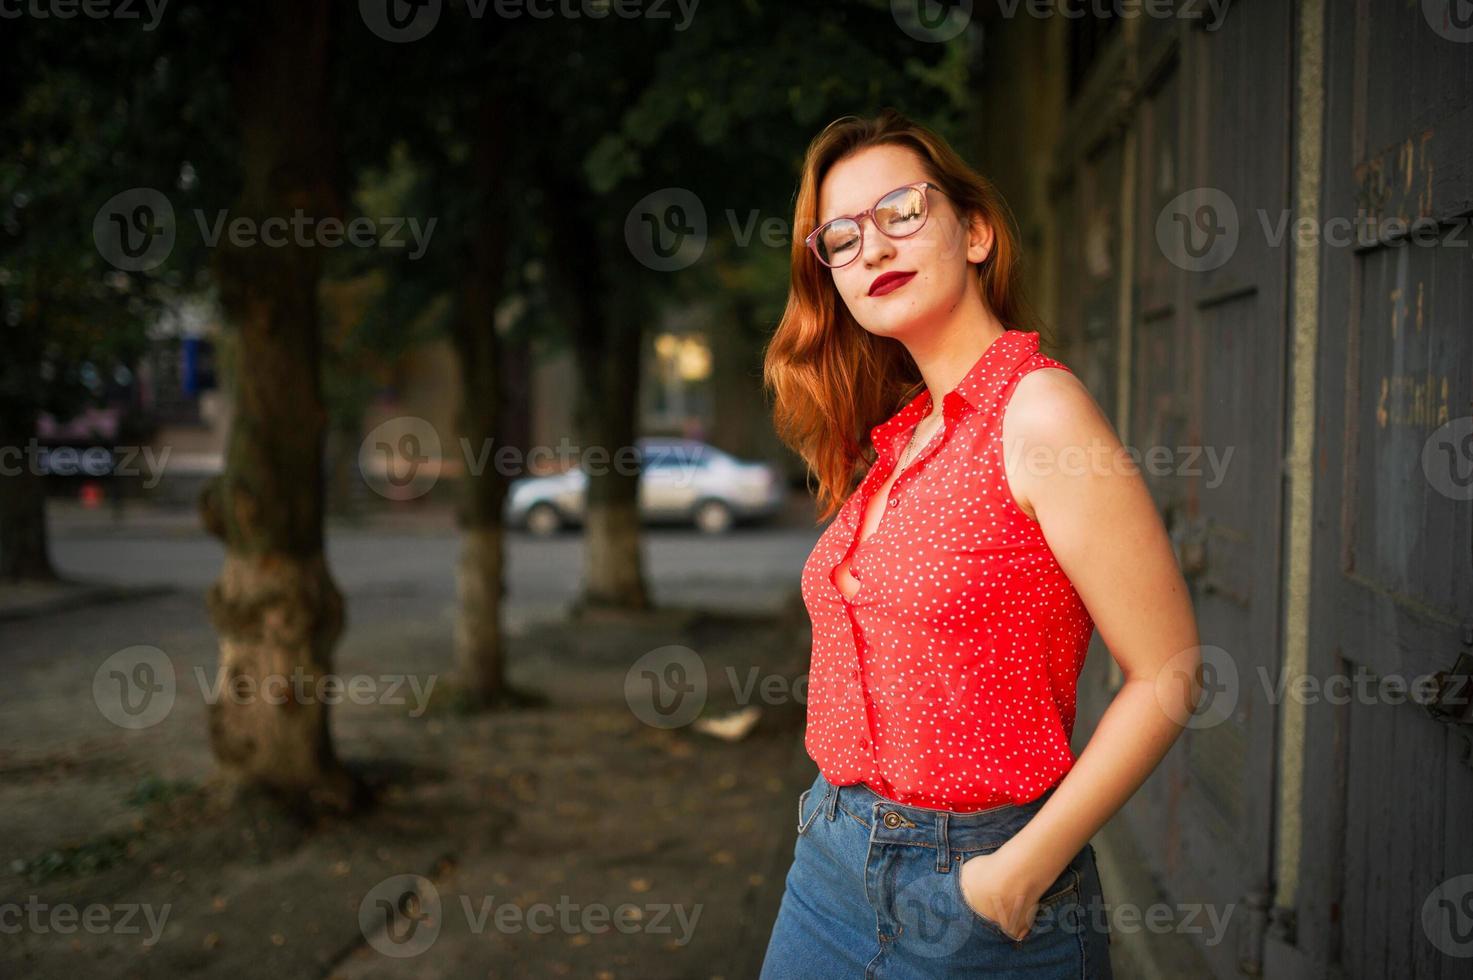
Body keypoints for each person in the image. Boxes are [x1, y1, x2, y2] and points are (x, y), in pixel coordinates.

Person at [758, 108, 1202, 978]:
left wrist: (1016, 873)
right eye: (840, 238)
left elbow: (1168, 672)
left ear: (975, 232)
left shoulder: (1038, 412)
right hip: (829, 863)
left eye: (901, 213)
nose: (872, 248)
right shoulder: (901, 437)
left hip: (984, 889)